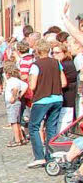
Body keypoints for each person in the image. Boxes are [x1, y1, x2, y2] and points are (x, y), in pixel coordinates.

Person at [26, 40, 66, 169]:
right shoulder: (56, 62)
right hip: (57, 98)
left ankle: (39, 157)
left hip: (42, 99)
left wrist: (29, 79)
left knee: (33, 127)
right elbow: (64, 82)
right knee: (51, 127)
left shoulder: (36, 65)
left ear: (37, 51)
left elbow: (32, 86)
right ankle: (51, 155)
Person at [53, 41, 78, 132]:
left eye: (57, 52)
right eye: (53, 52)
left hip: (68, 97)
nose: (54, 55)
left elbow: (63, 83)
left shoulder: (66, 65)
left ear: (64, 52)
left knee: (63, 123)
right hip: (67, 98)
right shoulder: (64, 63)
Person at [3, 62, 27, 147]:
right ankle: (22, 138)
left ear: (8, 73)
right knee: (18, 121)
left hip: (12, 103)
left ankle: (17, 140)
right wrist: (21, 95)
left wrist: (14, 97)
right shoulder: (18, 80)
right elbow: (26, 86)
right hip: (17, 102)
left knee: (14, 122)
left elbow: (15, 89)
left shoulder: (12, 81)